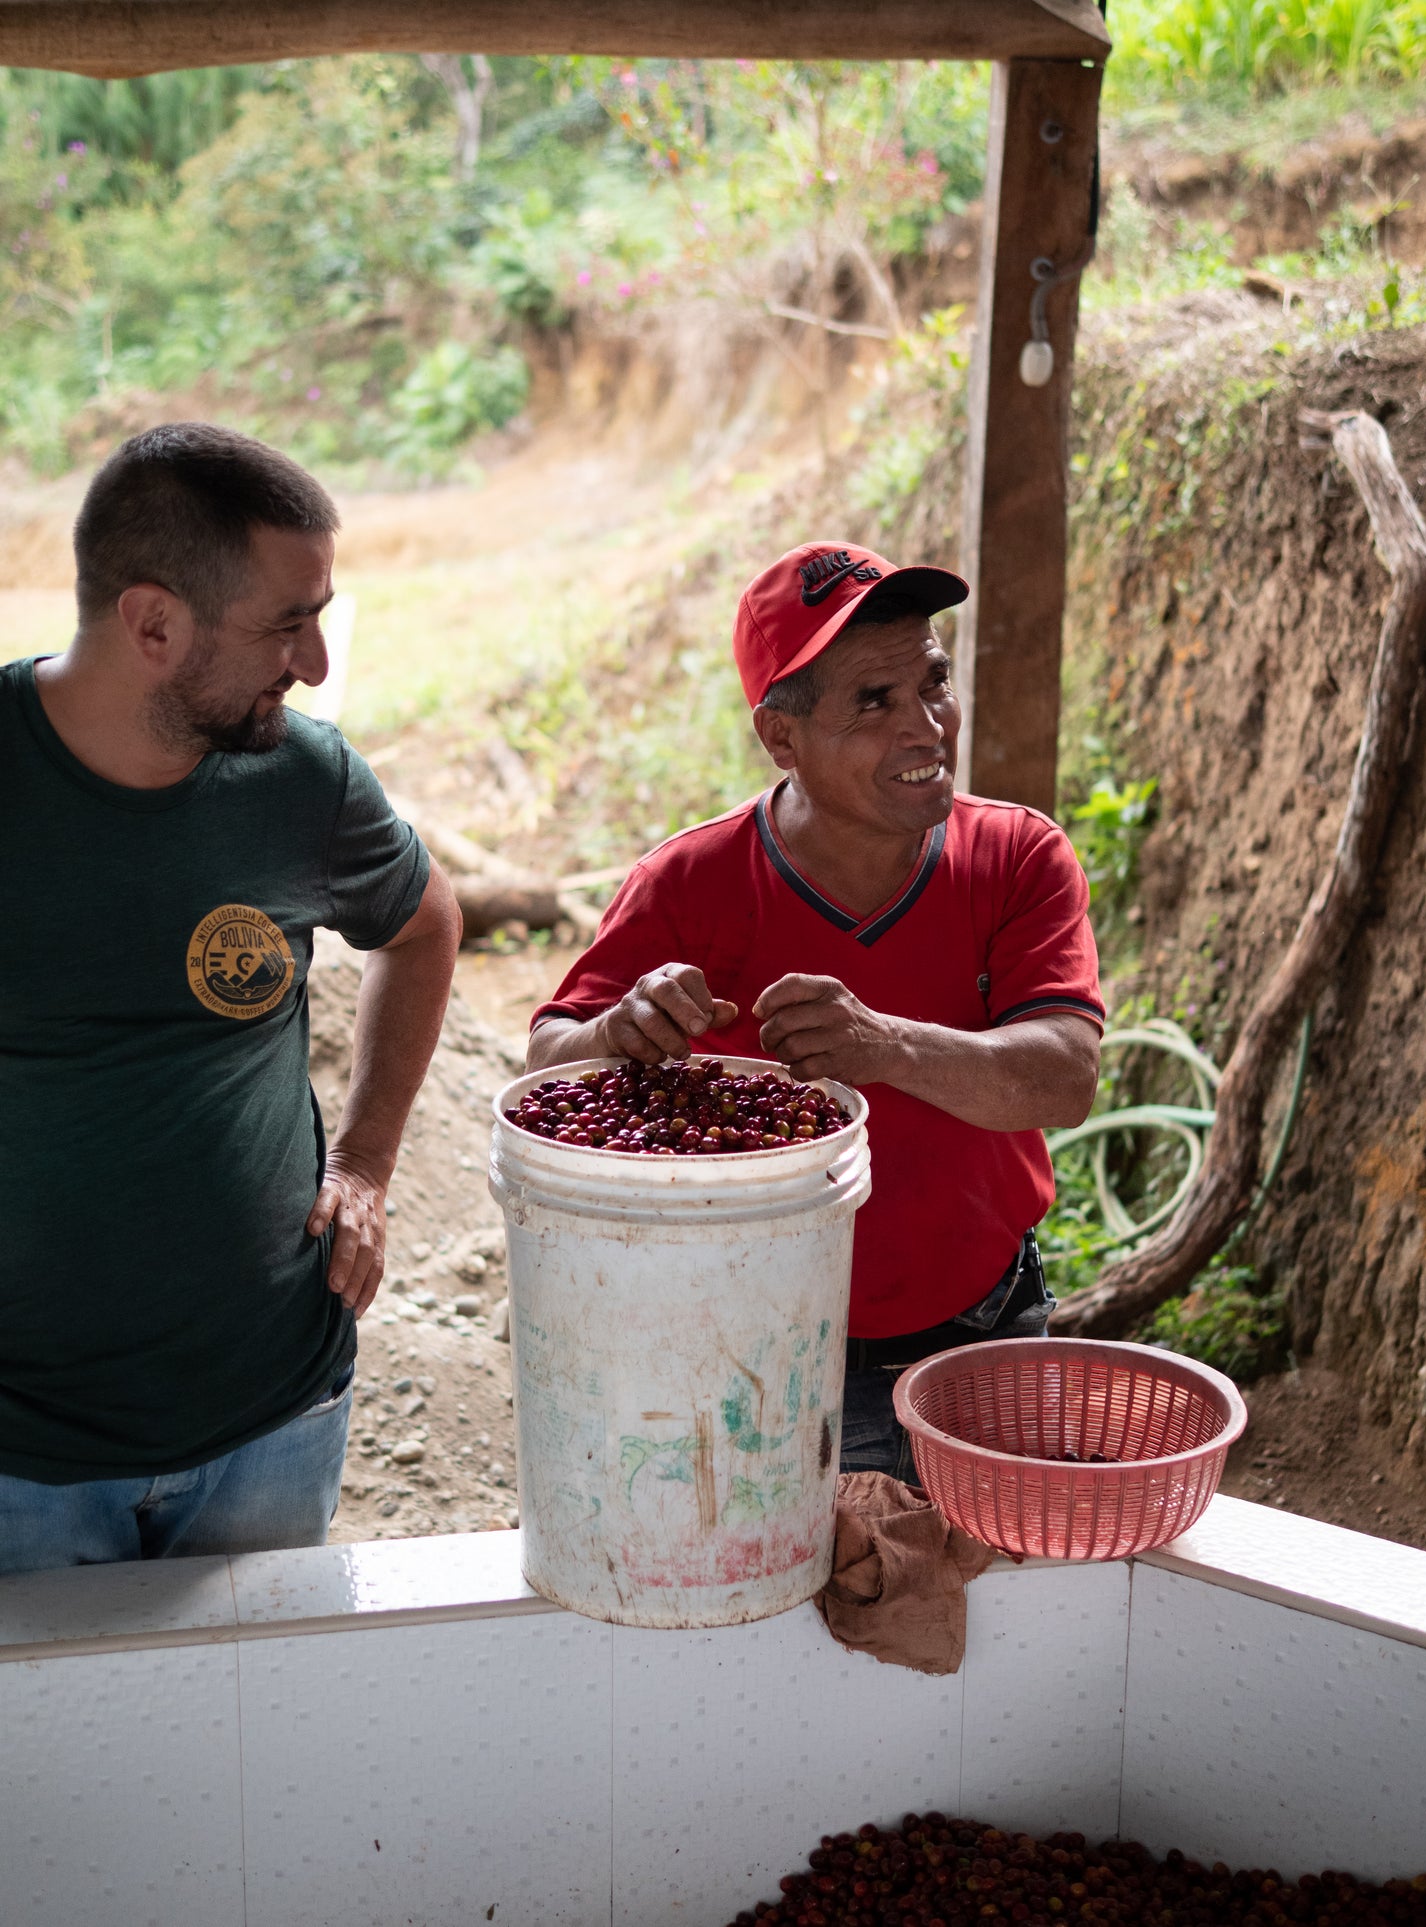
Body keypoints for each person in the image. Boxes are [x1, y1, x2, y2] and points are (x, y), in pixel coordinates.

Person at [527, 541, 1103, 1479]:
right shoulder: (687, 885)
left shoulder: (1017, 858)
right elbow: (547, 1062)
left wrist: (885, 1045)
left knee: (984, 1610)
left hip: (978, 1338)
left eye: (933, 682)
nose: (926, 727)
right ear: (780, 739)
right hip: (748, 1361)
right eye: (872, 704)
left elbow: (1063, 1079)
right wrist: (616, 1033)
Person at [0, 423, 462, 1576]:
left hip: (275, 1414)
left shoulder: (300, 779)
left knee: (258, 1749)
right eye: (283, 624)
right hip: (23, 1455)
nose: (312, 661)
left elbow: (422, 925)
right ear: (152, 623)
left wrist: (362, 1162)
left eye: (320, 614)